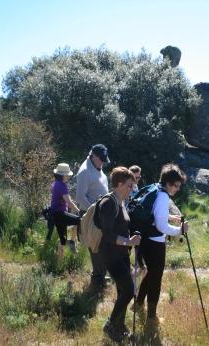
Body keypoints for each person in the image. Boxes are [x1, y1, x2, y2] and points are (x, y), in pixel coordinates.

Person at [135, 163, 189, 323]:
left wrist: (171, 217)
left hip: (146, 239)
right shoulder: (164, 197)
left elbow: (155, 215)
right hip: (155, 243)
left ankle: (138, 304)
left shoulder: (156, 188)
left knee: (151, 272)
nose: (178, 189)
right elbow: (161, 226)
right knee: (156, 278)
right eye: (177, 185)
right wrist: (180, 230)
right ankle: (152, 316)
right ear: (169, 183)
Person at [99, 167, 141, 342]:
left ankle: (119, 325)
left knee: (122, 290)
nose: (132, 189)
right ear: (119, 184)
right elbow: (108, 235)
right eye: (130, 185)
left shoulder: (122, 201)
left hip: (122, 253)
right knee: (130, 290)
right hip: (110, 254)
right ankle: (110, 325)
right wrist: (129, 241)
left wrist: (132, 237)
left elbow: (122, 227)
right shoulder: (108, 203)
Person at [76, 144, 110, 287]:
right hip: (91, 214)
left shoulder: (97, 167)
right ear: (93, 156)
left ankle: (101, 274)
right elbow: (80, 197)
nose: (102, 162)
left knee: (103, 246)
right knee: (95, 246)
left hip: (101, 213)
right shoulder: (84, 172)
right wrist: (95, 211)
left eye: (103, 159)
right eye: (100, 159)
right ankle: (97, 280)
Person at [50, 163, 80, 257]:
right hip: (60, 214)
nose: (68, 177)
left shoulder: (55, 183)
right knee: (79, 220)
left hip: (55, 213)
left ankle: (59, 262)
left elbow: (63, 198)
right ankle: (72, 242)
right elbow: (69, 202)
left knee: (62, 239)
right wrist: (79, 211)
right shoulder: (62, 186)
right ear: (63, 175)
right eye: (67, 175)